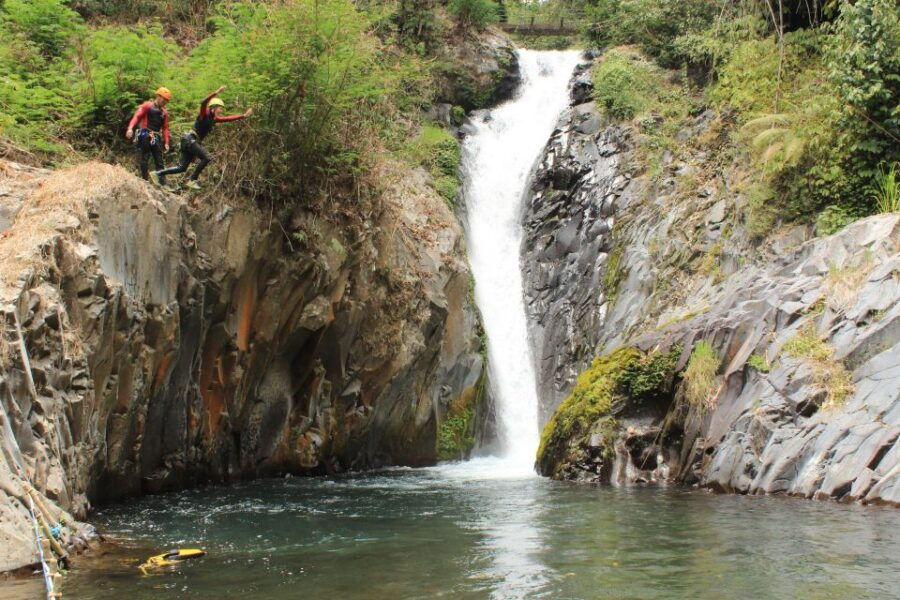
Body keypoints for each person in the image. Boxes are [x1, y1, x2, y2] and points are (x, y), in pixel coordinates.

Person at [152, 85, 252, 191]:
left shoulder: (214, 119)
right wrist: (216, 92)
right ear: (213, 108)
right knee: (207, 158)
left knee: (182, 168)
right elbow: (203, 102)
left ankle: (157, 173)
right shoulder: (204, 114)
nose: (221, 110)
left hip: (190, 141)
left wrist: (243, 116)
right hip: (190, 139)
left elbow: (228, 118)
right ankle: (192, 180)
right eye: (219, 108)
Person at [126, 87, 171, 181]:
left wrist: (166, 142)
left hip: (156, 136)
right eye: (164, 99)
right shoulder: (147, 106)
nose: (165, 102)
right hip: (144, 133)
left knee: (159, 160)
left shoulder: (164, 113)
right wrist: (130, 128)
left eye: (166, 101)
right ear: (158, 96)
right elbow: (137, 117)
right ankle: (144, 179)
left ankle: (162, 182)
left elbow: (165, 128)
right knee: (145, 156)